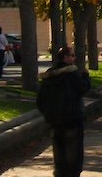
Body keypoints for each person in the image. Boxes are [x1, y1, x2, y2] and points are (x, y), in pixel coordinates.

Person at [37, 46, 91, 177]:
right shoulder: (71, 74)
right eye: (72, 55)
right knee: (74, 154)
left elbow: (40, 100)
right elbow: (83, 88)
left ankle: (60, 173)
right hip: (72, 120)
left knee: (59, 153)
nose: (74, 58)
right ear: (65, 57)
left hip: (54, 122)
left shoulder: (49, 75)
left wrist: (48, 115)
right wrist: (85, 76)